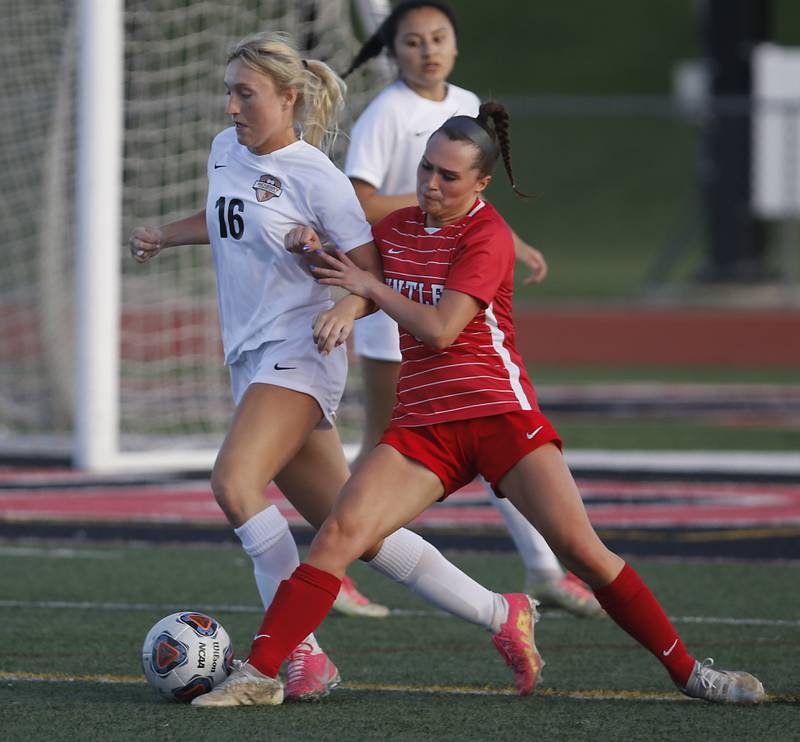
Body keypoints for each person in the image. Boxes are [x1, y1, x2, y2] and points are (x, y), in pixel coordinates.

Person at [192, 103, 766, 707]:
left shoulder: (488, 236)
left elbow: (440, 329)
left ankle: (692, 674)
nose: (430, 186)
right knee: (339, 534)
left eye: (448, 177)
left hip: (498, 417)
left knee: (582, 552)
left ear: (481, 185)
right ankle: (259, 674)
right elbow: (357, 275)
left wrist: (368, 290)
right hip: (423, 426)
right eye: (425, 169)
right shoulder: (399, 229)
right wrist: (315, 254)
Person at [130, 33, 544, 702]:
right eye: (230, 92)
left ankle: (298, 658)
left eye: (246, 93)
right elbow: (225, 216)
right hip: (251, 356)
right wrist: (164, 235)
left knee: (235, 484)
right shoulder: (224, 151)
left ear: (288, 98)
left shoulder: (316, 175)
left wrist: (347, 310)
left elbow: (370, 269)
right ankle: (503, 613)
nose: (232, 106)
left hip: (299, 351)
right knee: (358, 530)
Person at [342, 0, 601, 617]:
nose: (427, 50)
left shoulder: (464, 100)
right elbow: (361, 205)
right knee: (383, 449)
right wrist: (435, 198)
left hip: (447, 300)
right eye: (411, 41)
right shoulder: (388, 112)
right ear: (392, 51)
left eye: (438, 38)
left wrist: (505, 238)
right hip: (402, 307)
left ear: (455, 44)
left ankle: (542, 569)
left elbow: (475, 203)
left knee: (497, 445)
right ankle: (337, 561)